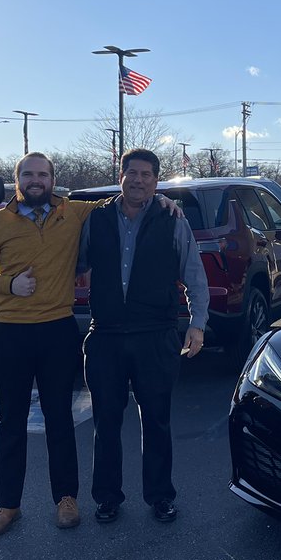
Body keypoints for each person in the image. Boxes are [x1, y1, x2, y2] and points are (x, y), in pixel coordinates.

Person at [0, 152, 180, 537]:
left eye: (42, 175)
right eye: (28, 174)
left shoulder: (75, 212)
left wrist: (162, 198)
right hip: (10, 332)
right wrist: (8, 284)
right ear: (18, 180)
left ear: (52, 180)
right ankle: (7, 505)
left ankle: (66, 499)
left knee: (60, 419)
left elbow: (126, 198)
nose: (36, 180)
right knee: (11, 421)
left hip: (58, 331)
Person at [78, 148, 210, 525]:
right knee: (105, 423)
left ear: (156, 181)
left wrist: (197, 324)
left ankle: (160, 496)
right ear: (120, 176)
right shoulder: (96, 218)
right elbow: (75, 263)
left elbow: (194, 274)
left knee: (156, 421)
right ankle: (107, 498)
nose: (138, 180)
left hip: (156, 335)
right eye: (132, 173)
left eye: (146, 175)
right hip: (106, 335)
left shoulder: (172, 218)